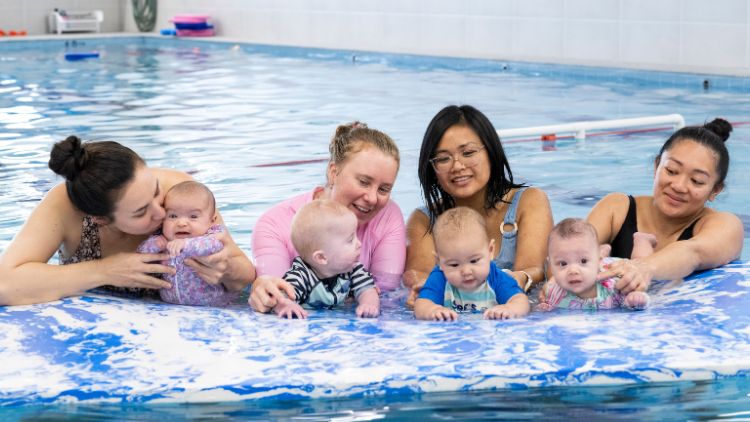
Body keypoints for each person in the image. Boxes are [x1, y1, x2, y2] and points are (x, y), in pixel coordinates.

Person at [0, 136, 254, 306]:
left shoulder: (182, 197)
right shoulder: (65, 206)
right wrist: (105, 271)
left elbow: (245, 276)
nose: (161, 212)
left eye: (156, 190)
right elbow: (5, 284)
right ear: (100, 219)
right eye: (141, 211)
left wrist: (226, 270)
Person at [405, 105, 553, 307]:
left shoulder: (528, 202)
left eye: (468, 152)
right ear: (432, 168)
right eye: (443, 158)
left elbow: (535, 269)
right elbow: (420, 276)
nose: (457, 166)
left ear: (491, 152)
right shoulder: (425, 220)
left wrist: (521, 278)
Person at [250, 122, 405, 313]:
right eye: (364, 182)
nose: (372, 198)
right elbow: (277, 296)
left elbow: (388, 296)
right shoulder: (274, 224)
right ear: (334, 172)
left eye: (384, 189)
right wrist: (264, 290)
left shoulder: (387, 215)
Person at [587, 118, 743, 293]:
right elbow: (567, 259)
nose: (679, 186)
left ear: (715, 190)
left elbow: (692, 252)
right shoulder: (616, 209)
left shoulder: (726, 226)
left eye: (696, 181)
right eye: (671, 171)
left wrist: (644, 267)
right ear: (656, 166)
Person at [414, 207, 530, 321]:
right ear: (440, 262)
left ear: (490, 251)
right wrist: (432, 310)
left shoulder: (495, 276)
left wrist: (509, 308)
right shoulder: (440, 277)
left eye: (474, 261)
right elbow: (421, 303)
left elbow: (520, 299)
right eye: (454, 265)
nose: (466, 271)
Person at [272, 199, 380, 319]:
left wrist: (368, 304)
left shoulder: (352, 269)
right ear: (321, 257)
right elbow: (281, 296)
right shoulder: (301, 275)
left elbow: (367, 290)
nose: (359, 244)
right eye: (350, 240)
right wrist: (286, 305)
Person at [137, 181, 238, 306]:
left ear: (212, 220)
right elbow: (142, 254)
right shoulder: (164, 239)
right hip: (170, 304)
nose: (181, 223)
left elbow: (213, 245)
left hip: (212, 305)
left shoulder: (212, 235)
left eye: (193, 216)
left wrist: (186, 244)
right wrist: (154, 245)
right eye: (173, 216)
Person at [538, 218, 650, 311]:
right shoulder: (552, 292)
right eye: (563, 263)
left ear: (598, 261)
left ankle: (643, 240)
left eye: (583, 261)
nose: (573, 270)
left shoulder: (614, 287)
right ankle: (601, 251)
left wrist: (635, 299)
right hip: (596, 257)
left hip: (613, 266)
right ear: (551, 267)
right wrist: (545, 306)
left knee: (640, 260)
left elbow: (635, 294)